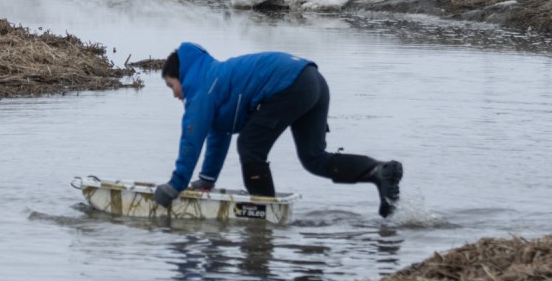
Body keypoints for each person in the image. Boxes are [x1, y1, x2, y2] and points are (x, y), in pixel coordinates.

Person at [151, 43, 401, 218]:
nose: (174, 94)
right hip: (312, 80)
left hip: (290, 84)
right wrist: (207, 179)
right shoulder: (214, 81)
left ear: (181, 75)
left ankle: (264, 214)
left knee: (250, 146)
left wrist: (176, 184)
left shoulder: (201, 88)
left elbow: (191, 140)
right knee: (314, 158)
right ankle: (378, 171)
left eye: (171, 85)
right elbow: (218, 135)